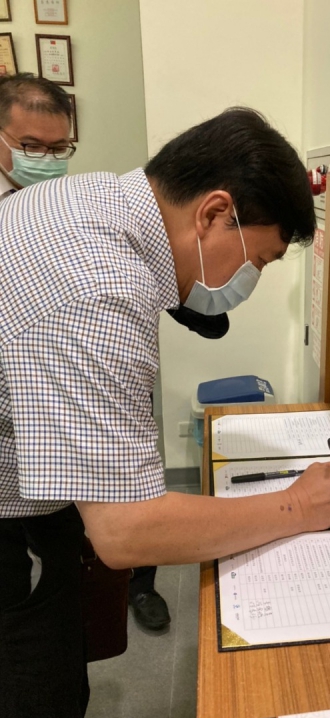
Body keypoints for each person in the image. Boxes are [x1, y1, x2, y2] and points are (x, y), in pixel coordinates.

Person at [0, 106, 330, 718]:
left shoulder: (93, 200)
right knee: (38, 690)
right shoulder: (99, 290)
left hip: (30, 492)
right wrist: (300, 506)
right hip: (9, 529)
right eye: (260, 261)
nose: (249, 279)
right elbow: (126, 532)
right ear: (215, 213)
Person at [0, 72, 172, 632]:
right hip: (22, 431)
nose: (47, 161)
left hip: (82, 398)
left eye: (60, 149)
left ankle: (135, 586)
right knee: (31, 616)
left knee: (114, 488)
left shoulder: (74, 204)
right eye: (32, 147)